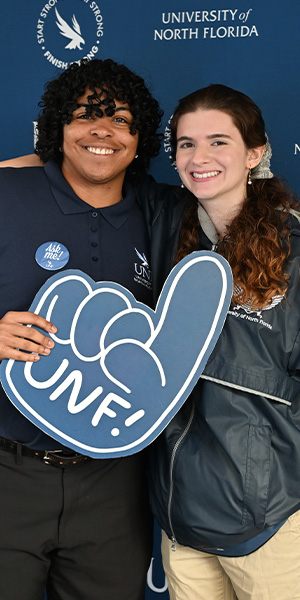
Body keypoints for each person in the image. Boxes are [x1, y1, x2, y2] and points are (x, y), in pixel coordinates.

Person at [0, 57, 166, 600]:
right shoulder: (8, 193)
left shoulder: (165, 214)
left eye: (120, 119)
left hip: (115, 486)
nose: (102, 131)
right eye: (85, 116)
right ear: (58, 128)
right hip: (9, 470)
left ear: (139, 138)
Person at [146, 84, 300, 600]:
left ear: (254, 152)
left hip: (271, 521)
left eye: (218, 141)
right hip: (180, 518)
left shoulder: (293, 254)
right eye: (186, 144)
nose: (199, 158)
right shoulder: (168, 230)